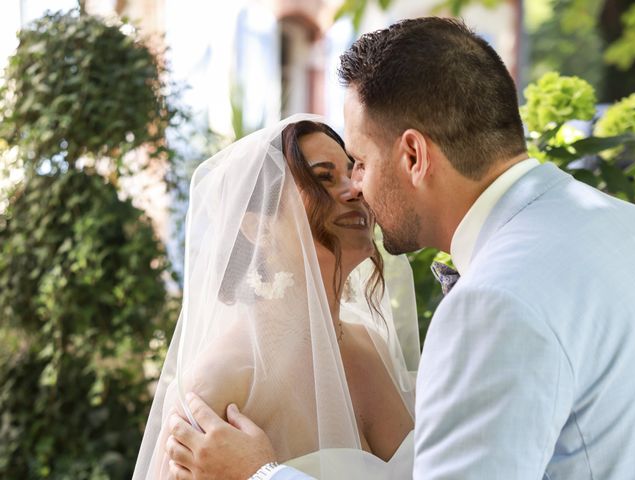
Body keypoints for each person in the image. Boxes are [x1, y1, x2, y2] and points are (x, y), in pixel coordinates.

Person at [165, 16, 635, 480]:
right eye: (326, 177)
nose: (357, 187)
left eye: (361, 164)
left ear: (413, 156)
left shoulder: (491, 301)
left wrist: (260, 475)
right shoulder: (625, 226)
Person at [132, 114, 420, 480]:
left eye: (353, 173)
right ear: (257, 226)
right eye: (323, 178)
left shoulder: (369, 346)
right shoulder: (220, 381)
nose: (354, 190)